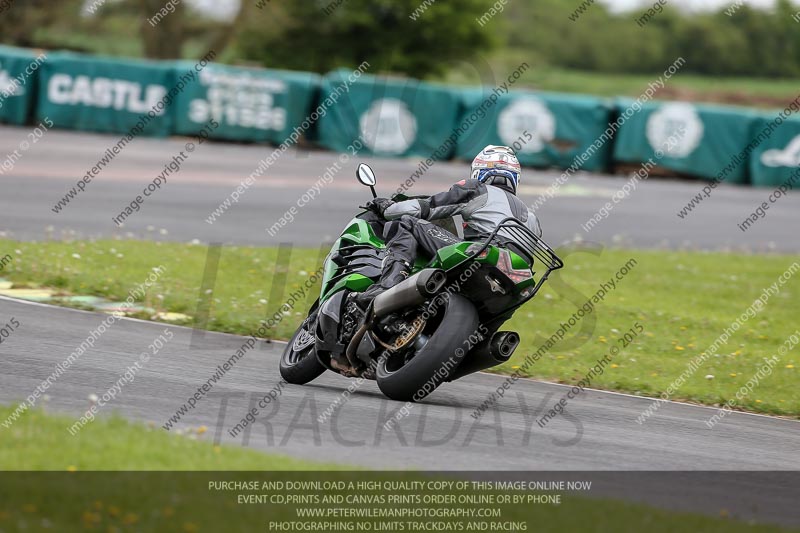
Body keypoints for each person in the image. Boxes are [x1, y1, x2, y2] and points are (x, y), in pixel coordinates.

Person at [355, 145, 542, 308]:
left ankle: (387, 286)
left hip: (481, 254)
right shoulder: (533, 218)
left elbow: (427, 207)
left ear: (479, 172)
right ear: (515, 177)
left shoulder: (476, 189)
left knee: (406, 223)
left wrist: (389, 208)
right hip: (516, 278)